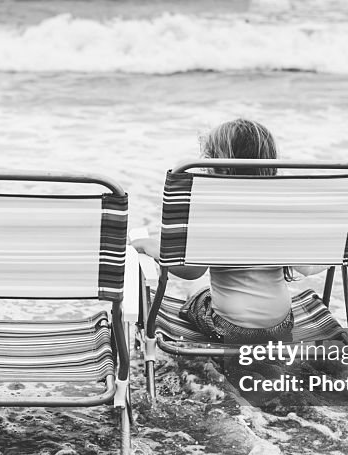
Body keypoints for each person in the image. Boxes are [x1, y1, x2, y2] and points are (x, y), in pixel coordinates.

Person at [132, 118, 326, 345]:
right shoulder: (282, 207)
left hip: (229, 328)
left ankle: (208, 358)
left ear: (218, 165)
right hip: (281, 325)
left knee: (195, 289)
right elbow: (308, 267)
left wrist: (150, 247)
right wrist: (336, 256)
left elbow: (192, 271)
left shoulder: (212, 208)